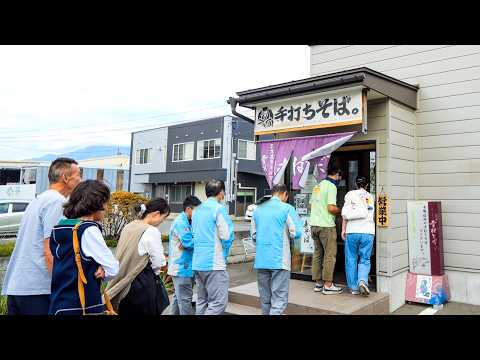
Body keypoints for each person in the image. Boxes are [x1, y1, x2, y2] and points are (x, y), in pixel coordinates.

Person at [1, 157, 82, 315]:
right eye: (78, 174)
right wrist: (62, 287)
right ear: (66, 178)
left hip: (18, 286)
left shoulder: (38, 200)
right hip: (38, 289)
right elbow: (50, 249)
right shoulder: (57, 202)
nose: (81, 179)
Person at [49, 180, 119, 315]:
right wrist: (103, 269)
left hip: (59, 305)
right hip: (83, 306)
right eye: (106, 202)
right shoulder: (88, 230)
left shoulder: (60, 226)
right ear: (99, 204)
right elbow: (113, 268)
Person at [105, 197, 170, 315]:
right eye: (163, 218)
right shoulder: (151, 231)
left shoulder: (129, 226)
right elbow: (159, 262)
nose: (162, 221)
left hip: (123, 283)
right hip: (141, 284)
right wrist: (160, 268)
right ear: (156, 214)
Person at [251, 184, 302, 315]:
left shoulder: (258, 210)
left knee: (265, 300)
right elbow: (296, 232)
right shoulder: (287, 208)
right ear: (284, 194)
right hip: (279, 260)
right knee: (279, 300)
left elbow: (254, 235)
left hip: (261, 260)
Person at [192, 179, 234, 315]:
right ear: (221, 192)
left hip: (198, 262)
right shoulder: (219, 209)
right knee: (218, 303)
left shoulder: (197, 210)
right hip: (214, 263)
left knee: (202, 301)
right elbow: (226, 236)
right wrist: (225, 253)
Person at [309, 164, 344, 295]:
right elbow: (331, 208)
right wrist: (342, 211)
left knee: (318, 254)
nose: (340, 179)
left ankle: (318, 283)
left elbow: (311, 204)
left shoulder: (317, 186)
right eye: (340, 177)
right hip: (326, 226)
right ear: (337, 174)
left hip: (314, 225)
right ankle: (328, 285)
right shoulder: (332, 186)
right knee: (330, 255)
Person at [341, 176, 375, 296]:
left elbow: (345, 214)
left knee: (351, 259)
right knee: (365, 259)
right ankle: (362, 280)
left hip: (352, 231)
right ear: (367, 185)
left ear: (355, 184)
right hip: (368, 232)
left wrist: (343, 229)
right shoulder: (370, 197)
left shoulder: (350, 194)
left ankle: (353, 288)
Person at [168, 195, 202, 315]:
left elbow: (190, 241)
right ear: (188, 209)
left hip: (185, 267)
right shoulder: (181, 222)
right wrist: (193, 240)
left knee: (179, 299)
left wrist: (192, 240)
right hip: (181, 269)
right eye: (197, 211)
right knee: (185, 299)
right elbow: (189, 243)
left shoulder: (189, 221)